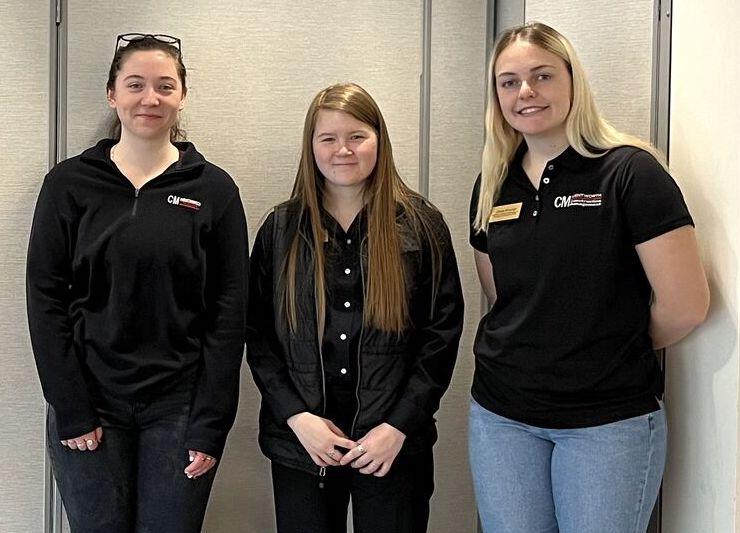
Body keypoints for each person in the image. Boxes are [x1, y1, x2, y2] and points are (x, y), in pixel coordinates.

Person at [468, 22, 709, 533]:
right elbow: (502, 294)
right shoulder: (493, 183)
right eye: (508, 82)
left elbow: (686, 304)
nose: (525, 92)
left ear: (573, 81)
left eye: (542, 75)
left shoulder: (630, 174)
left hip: (606, 424)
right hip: (503, 416)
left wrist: (599, 344)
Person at [26, 33, 248, 532]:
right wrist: (71, 406)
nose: (150, 98)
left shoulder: (214, 189)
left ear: (182, 95)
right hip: (90, 401)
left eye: (165, 86)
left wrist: (211, 421)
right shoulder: (69, 184)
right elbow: (44, 299)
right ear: (113, 94)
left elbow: (229, 311)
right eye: (135, 85)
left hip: (180, 407)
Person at [246, 82, 464, 533]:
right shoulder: (281, 230)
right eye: (328, 138)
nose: (342, 149)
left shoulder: (421, 226)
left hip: (393, 448)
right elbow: (258, 336)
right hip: (303, 448)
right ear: (311, 147)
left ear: (379, 141)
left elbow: (440, 337)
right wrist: (298, 418)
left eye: (357, 136)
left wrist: (398, 427)